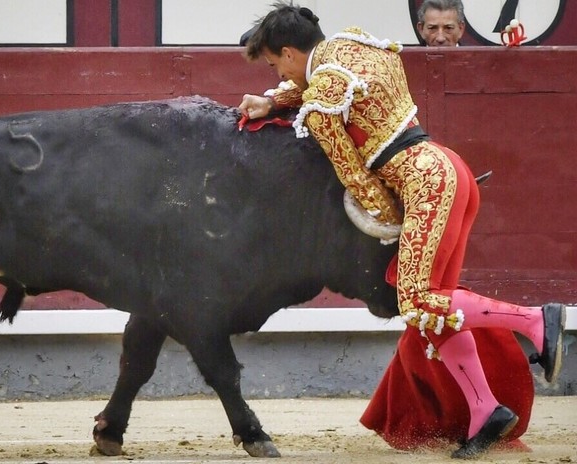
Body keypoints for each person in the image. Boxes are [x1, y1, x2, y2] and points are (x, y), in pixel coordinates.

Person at [238, 3, 567, 459]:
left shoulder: (321, 104)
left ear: (290, 53)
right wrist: (274, 98)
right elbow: (325, 86)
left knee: (417, 299)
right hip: (449, 170)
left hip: (424, 186)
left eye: (275, 65)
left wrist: (387, 222)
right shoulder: (354, 44)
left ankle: (536, 321)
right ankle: (484, 409)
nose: (279, 73)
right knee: (428, 310)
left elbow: (354, 175)